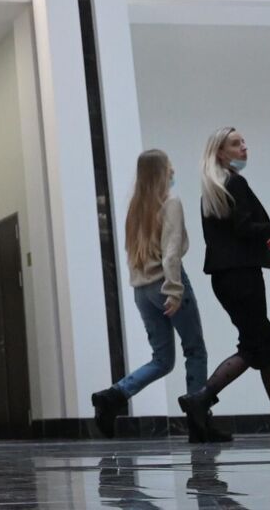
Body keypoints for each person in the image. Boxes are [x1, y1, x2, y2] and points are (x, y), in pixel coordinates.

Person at [177, 127, 270, 442]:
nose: (244, 147)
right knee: (258, 344)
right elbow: (244, 228)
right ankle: (201, 398)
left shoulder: (212, 189)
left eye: (243, 142)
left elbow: (229, 233)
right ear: (220, 152)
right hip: (243, 276)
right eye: (236, 143)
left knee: (263, 344)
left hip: (225, 278)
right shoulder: (235, 183)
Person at [90, 149, 216, 440]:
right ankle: (199, 422)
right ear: (161, 172)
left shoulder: (135, 209)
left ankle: (113, 396)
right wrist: (174, 290)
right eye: (169, 165)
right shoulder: (171, 203)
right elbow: (171, 253)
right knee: (195, 350)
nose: (173, 170)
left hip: (142, 291)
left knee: (162, 360)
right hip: (166, 284)